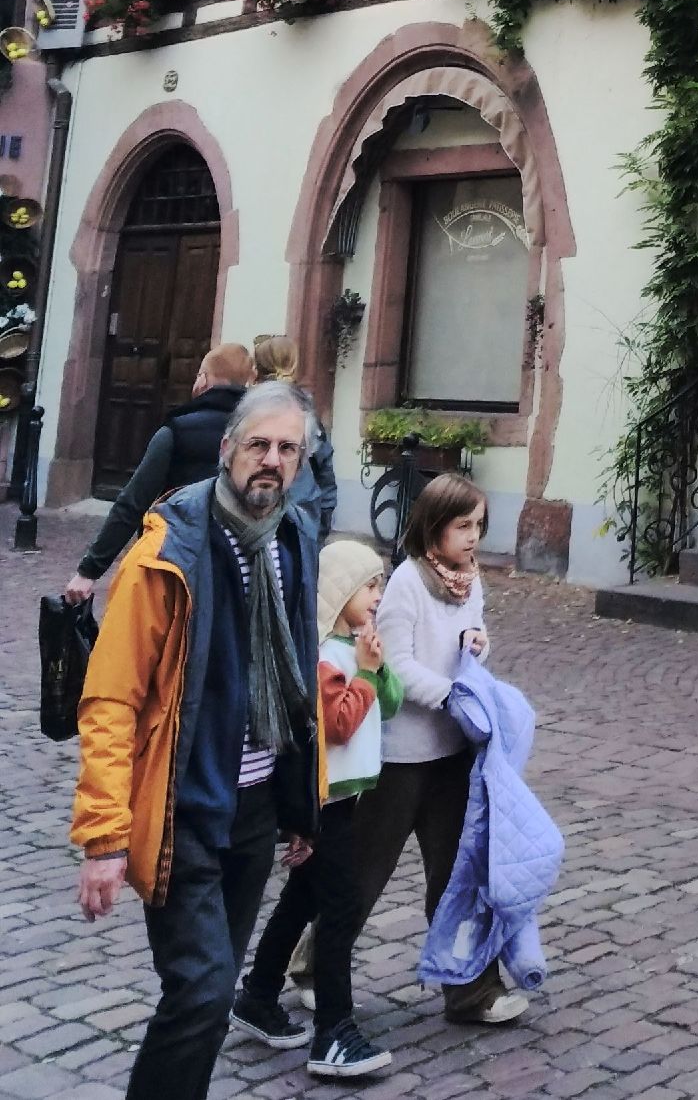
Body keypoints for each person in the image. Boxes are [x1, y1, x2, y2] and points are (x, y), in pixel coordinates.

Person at [71, 378, 323, 1100]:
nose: (271, 459)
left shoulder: (294, 538)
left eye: (287, 448)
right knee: (205, 989)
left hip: (255, 808)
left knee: (206, 998)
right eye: (258, 444)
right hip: (182, 807)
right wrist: (105, 837)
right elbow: (113, 696)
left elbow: (297, 677)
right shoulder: (170, 547)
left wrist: (302, 803)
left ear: (301, 462)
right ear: (226, 449)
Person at [349, 474, 527, 1028]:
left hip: (453, 753)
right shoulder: (407, 582)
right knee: (365, 871)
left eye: (479, 526)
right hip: (401, 757)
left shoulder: (470, 581)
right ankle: (312, 965)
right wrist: (450, 694)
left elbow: (471, 638)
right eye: (462, 526)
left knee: (455, 878)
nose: (473, 537)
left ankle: (471, 991)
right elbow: (397, 665)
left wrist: (479, 644)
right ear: (433, 527)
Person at [234, 538, 397, 1081]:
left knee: (302, 897)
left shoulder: (352, 647)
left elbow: (391, 703)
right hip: (324, 800)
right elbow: (340, 724)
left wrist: (377, 666)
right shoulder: (325, 656)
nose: (378, 595)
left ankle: (258, 994)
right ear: (340, 591)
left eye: (379, 584)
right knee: (340, 907)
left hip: (344, 798)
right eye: (369, 585)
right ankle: (334, 1030)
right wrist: (365, 672)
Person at [63, 344, 256, 605]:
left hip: (177, 562)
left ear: (203, 380)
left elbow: (133, 502)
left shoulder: (178, 430)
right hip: (240, 565)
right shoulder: (261, 434)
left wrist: (89, 570)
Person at [252, 334, 338, 537]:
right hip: (301, 512)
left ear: (257, 367)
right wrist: (322, 520)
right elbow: (325, 468)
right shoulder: (304, 409)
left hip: (258, 512)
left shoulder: (245, 408)